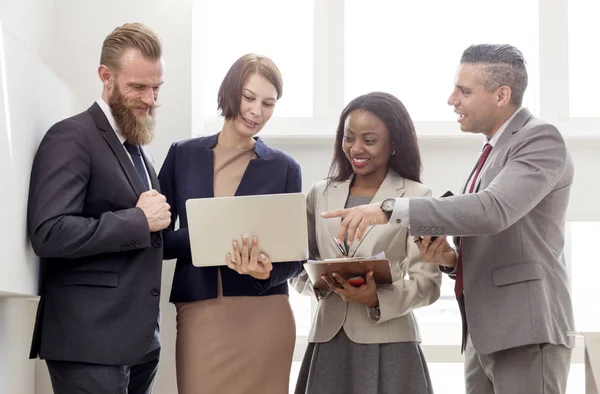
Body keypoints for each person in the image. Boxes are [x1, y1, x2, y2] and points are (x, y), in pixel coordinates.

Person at [322, 44, 574, 394]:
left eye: (464, 91)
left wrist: (390, 209)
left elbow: (492, 210)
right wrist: (452, 261)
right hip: (484, 336)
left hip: (525, 331)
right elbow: (496, 233)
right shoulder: (491, 151)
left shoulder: (539, 138)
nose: (451, 99)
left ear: (502, 95)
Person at [27, 23, 169, 394]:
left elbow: (152, 237)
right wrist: (138, 219)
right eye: (138, 87)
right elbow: (49, 232)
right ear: (106, 76)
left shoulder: (138, 147)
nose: (150, 99)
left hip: (140, 345)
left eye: (156, 88)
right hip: (89, 343)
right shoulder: (72, 136)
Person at [158, 53, 304, 394]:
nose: (256, 111)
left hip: (265, 315)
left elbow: (295, 259)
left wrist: (265, 272)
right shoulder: (183, 155)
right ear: (230, 92)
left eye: (268, 103)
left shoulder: (285, 168)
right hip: (201, 314)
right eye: (249, 98)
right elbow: (158, 239)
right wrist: (207, 236)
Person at [291, 92, 441, 394]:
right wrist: (321, 284)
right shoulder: (320, 193)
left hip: (390, 343)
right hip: (328, 338)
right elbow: (296, 267)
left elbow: (429, 284)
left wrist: (377, 299)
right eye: (349, 138)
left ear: (394, 143)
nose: (356, 148)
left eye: (369, 140)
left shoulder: (417, 197)